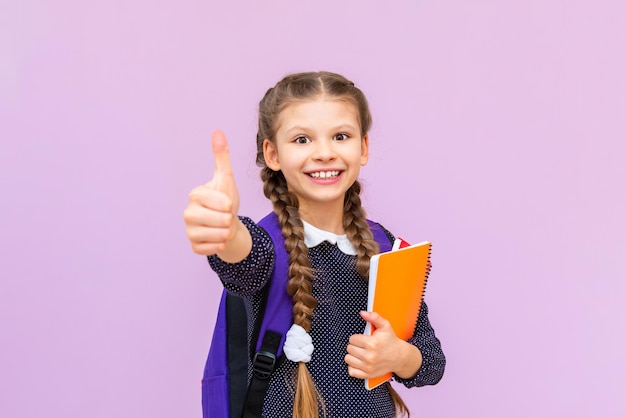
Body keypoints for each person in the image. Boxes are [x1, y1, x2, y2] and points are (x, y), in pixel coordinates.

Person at [184, 71, 445, 418]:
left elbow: (430, 360)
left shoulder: (389, 250)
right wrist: (227, 230)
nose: (324, 153)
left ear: (363, 147)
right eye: (302, 140)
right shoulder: (267, 247)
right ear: (272, 154)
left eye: (340, 136)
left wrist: (399, 357)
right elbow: (243, 261)